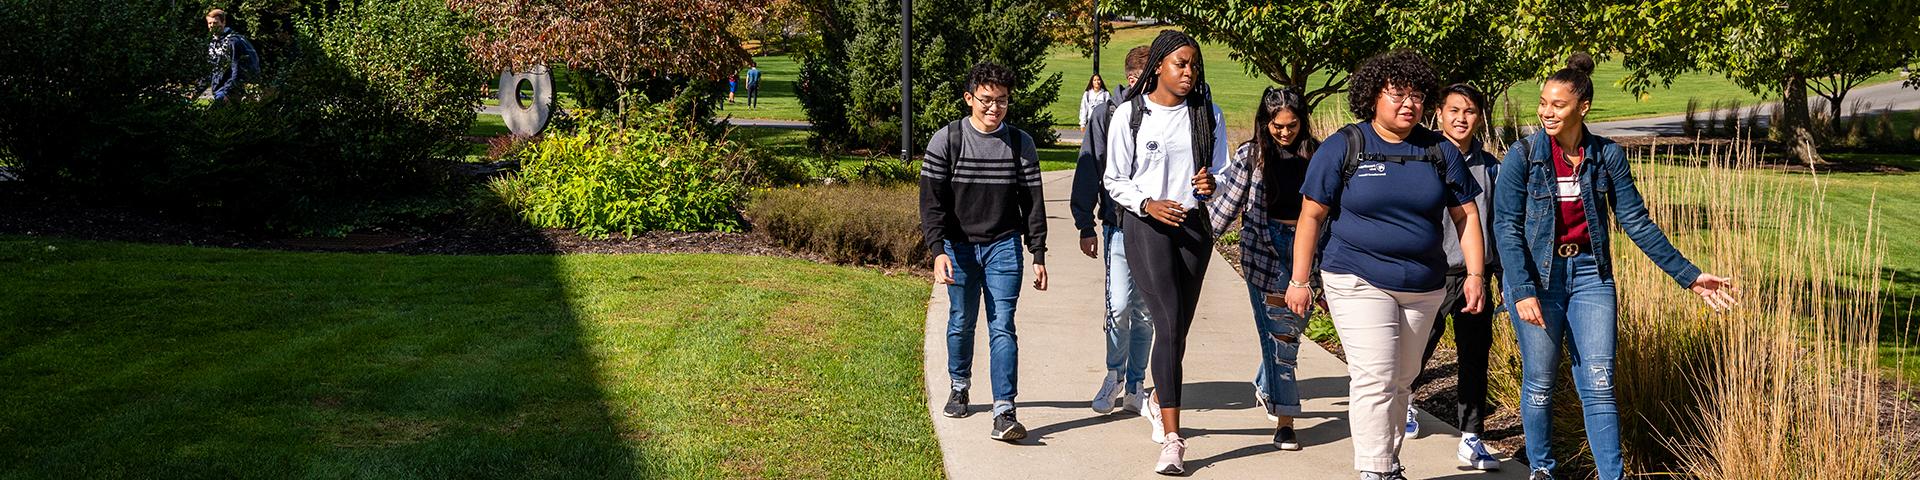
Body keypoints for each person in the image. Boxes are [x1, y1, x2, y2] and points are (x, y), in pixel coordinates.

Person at [1492, 53, 1737, 480]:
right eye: (1543, 103)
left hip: (1591, 278)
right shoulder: (1523, 155)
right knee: (1540, 384)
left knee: (1600, 384)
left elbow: (1637, 222)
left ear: (1582, 108)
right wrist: (1523, 289)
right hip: (1538, 280)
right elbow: (1506, 227)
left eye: (1558, 105)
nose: (1547, 112)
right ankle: (1542, 470)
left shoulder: (1607, 156)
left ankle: (1612, 476)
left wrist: (1689, 275)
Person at [1283, 49, 1488, 480]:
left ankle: (1388, 462)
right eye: (1397, 94)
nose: (1408, 104)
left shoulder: (1438, 151)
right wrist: (1300, 279)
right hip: (1356, 276)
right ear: (1374, 96)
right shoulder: (1347, 145)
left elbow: (1466, 215)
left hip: (1423, 283)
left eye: (1416, 95)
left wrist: (1474, 274)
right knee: (1375, 376)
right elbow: (1311, 216)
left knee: (1401, 380)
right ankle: (1376, 470)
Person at [1103, 30, 1224, 475]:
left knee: (1179, 329)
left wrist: (1212, 185)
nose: (1190, 72)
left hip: (1194, 227)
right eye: (1181, 64)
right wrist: (1147, 204)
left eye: (1194, 64)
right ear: (1158, 66)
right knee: (1169, 323)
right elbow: (1114, 179)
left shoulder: (1207, 114)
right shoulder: (1130, 115)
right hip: (1147, 225)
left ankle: (1158, 395)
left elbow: (1223, 172)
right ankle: (1174, 439)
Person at [922, 61, 1050, 443]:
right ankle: (960, 384)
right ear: (969, 98)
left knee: (1002, 326)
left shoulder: (1019, 143)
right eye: (986, 100)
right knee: (961, 320)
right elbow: (931, 204)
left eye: (1002, 101)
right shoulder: (947, 140)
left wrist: (1038, 252)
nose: (994, 108)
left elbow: (1033, 201)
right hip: (959, 249)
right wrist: (937, 250)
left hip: (1004, 246)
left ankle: (1004, 411)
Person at [1206, 86, 1318, 452]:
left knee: (1292, 331)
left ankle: (1266, 382)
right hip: (1264, 253)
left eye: (1291, 125)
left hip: (1306, 250)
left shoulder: (1316, 154)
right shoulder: (1251, 156)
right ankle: (1285, 421)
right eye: (1277, 126)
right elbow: (1225, 208)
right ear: (1265, 123)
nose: (1285, 133)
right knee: (1280, 338)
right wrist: (1194, 245)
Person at [1407, 82, 1504, 471]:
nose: (1461, 118)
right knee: (1416, 350)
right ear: (1439, 115)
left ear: (1479, 117)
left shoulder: (1491, 167)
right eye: (1453, 111)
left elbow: (1497, 223)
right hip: (1428, 272)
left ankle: (1471, 436)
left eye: (1469, 112)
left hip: (1473, 276)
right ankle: (1404, 403)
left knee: (1474, 356)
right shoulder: (1423, 157)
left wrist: (1492, 273)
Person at [1071, 46, 1154, 417]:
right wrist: (1084, 223)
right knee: (1118, 306)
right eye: (1138, 79)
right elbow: (1089, 169)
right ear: (1130, 78)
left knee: (1146, 311)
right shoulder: (1107, 114)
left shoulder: (1164, 115)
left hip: (1156, 230)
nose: (1143, 86)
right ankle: (1113, 375)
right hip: (1118, 225)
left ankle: (1136, 383)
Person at [204, 9, 259, 102]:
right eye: (209, 23)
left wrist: (229, 93)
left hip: (230, 90)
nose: (212, 26)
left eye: (215, 23)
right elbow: (210, 68)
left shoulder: (233, 41)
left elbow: (237, 67)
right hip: (220, 89)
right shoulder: (214, 42)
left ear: (223, 22)